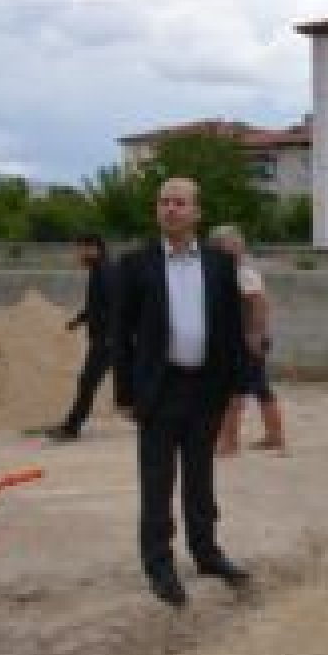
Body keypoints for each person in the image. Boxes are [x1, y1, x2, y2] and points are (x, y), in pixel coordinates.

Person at [113, 177, 251, 607]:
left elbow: (232, 328)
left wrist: (237, 385)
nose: (170, 209)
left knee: (200, 477)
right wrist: (125, 393)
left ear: (196, 212)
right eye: (164, 202)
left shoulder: (219, 264)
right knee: (157, 482)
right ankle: (159, 566)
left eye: (179, 202)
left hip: (206, 389)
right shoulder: (136, 264)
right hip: (159, 389)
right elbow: (120, 333)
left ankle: (206, 553)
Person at [209, 224, 286, 455]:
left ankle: (229, 443)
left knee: (234, 391)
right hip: (242, 339)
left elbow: (259, 303)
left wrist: (256, 334)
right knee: (261, 388)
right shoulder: (231, 271)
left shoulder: (243, 273)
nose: (231, 248)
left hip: (246, 340)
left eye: (230, 244)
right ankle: (274, 436)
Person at [45, 234, 116, 441]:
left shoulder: (105, 272)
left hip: (107, 340)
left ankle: (71, 428)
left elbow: (115, 305)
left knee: (87, 382)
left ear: (93, 249)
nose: (77, 255)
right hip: (106, 338)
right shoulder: (99, 271)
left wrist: (111, 337)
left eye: (80, 250)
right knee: (133, 381)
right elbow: (96, 306)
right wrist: (78, 320)